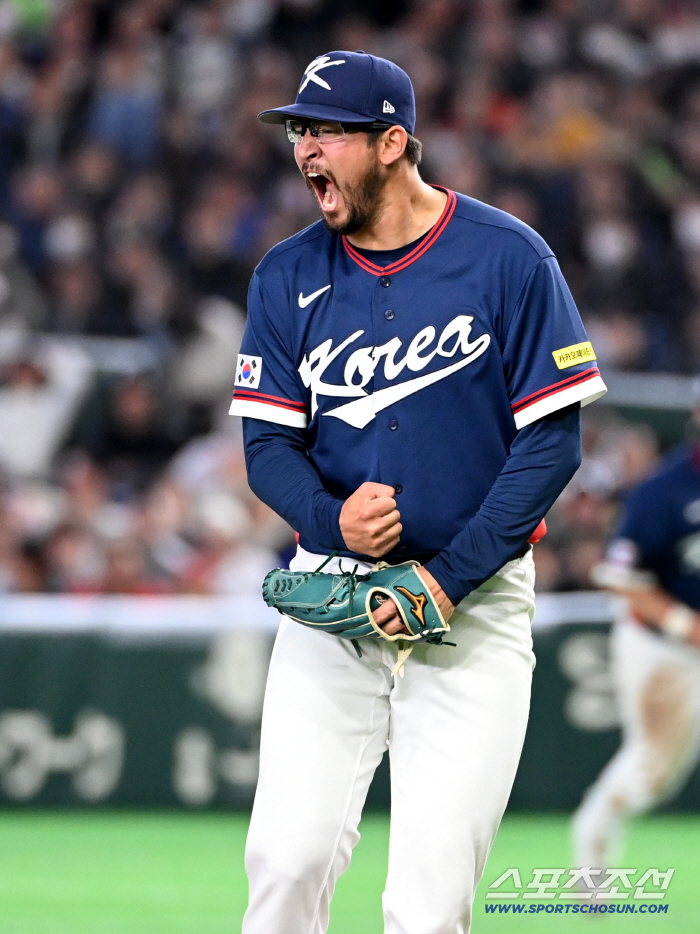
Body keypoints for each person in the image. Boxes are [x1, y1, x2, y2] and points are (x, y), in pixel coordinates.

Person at [229, 50, 607, 934]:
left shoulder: (509, 257)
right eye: (299, 130)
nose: (305, 149)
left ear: (392, 142)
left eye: (328, 131)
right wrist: (329, 519)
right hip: (335, 596)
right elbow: (266, 446)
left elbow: (553, 444)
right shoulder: (286, 275)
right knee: (286, 862)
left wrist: (446, 578)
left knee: (428, 905)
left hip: (472, 605)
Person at [573, 417, 700, 875]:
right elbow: (618, 576)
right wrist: (686, 624)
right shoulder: (664, 489)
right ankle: (592, 850)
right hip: (663, 647)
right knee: (652, 774)